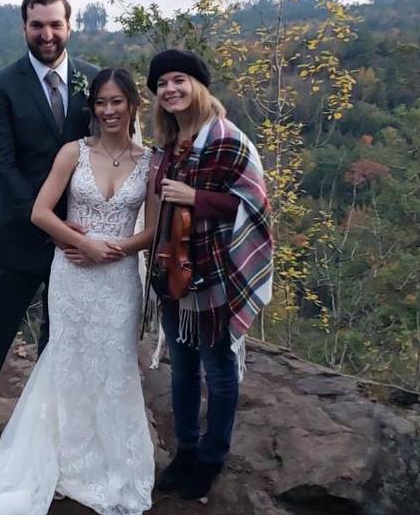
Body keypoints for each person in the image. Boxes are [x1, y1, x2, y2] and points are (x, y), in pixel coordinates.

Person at [0, 68, 156, 515]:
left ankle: (114, 456)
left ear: (133, 104)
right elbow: (39, 211)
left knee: (114, 363)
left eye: (117, 102)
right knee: (67, 356)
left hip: (119, 279)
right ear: (91, 108)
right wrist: (82, 243)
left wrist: (114, 249)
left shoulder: (151, 161)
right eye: (101, 103)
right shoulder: (73, 152)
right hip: (72, 272)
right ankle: (61, 450)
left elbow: (152, 230)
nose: (109, 110)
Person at [0, 0, 99, 454]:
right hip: (20, 232)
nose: (47, 35)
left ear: (70, 26)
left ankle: (49, 421)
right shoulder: (1, 85)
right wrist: (44, 219)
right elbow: (3, 165)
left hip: (77, 235)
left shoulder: (93, 83)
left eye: (56, 25)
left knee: (61, 333)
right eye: (38, 25)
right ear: (24, 28)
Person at [146, 49, 273, 501]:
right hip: (174, 272)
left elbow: (254, 205)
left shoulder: (226, 139)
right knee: (182, 368)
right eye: (161, 84)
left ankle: (211, 458)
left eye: (178, 79)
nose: (170, 89)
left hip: (217, 274)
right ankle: (186, 450)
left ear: (198, 85)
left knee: (219, 369)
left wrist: (194, 197)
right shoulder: (167, 145)